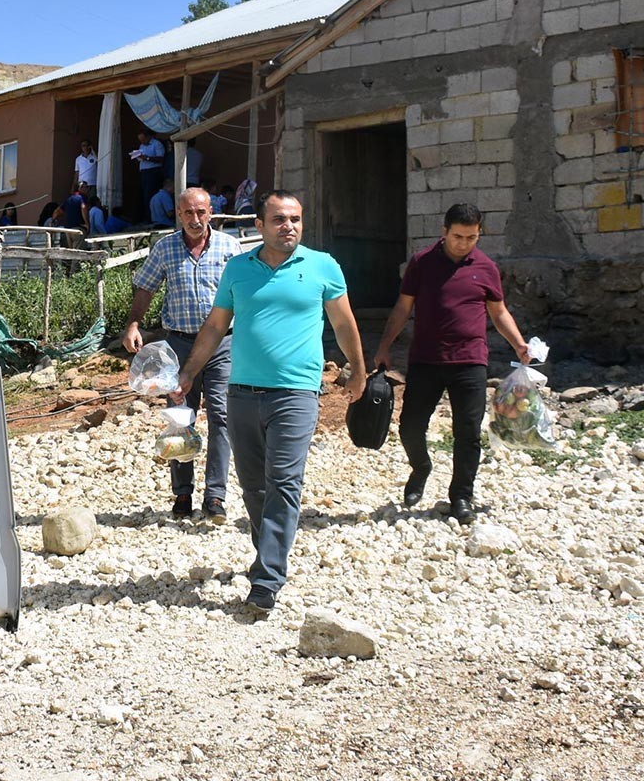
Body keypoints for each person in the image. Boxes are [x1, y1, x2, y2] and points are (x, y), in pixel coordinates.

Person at [176, 191, 366, 616]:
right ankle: (269, 553)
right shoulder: (237, 269)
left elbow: (342, 321)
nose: (290, 227)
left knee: (283, 481)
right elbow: (214, 327)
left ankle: (267, 578)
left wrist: (359, 368)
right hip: (242, 391)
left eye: (296, 219)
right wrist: (188, 372)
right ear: (259, 225)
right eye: (279, 219)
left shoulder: (322, 266)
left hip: (296, 393)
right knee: (254, 485)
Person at [370, 202, 532, 526]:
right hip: (426, 360)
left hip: (470, 362)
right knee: (410, 426)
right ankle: (421, 466)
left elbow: (498, 313)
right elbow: (403, 309)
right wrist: (384, 347)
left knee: (468, 432)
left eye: (472, 237)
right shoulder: (421, 263)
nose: (464, 243)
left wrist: (519, 344)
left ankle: (462, 496)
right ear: (444, 232)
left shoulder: (486, 267)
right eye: (458, 236)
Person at [123, 187, 243, 522]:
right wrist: (134, 324)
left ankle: (215, 496)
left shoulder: (229, 247)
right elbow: (145, 286)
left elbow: (243, 293)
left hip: (221, 346)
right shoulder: (164, 248)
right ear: (179, 214)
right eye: (188, 213)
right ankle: (182, 494)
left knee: (221, 418)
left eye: (201, 212)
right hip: (179, 346)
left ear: (211, 213)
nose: (195, 219)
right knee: (180, 418)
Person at [129, 130, 166, 212]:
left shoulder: (157, 144)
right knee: (144, 194)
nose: (142, 142)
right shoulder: (142, 145)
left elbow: (161, 158)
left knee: (151, 194)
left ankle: (153, 216)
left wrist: (147, 158)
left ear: (149, 137)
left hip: (153, 171)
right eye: (140, 140)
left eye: (143, 140)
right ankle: (147, 216)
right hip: (144, 172)